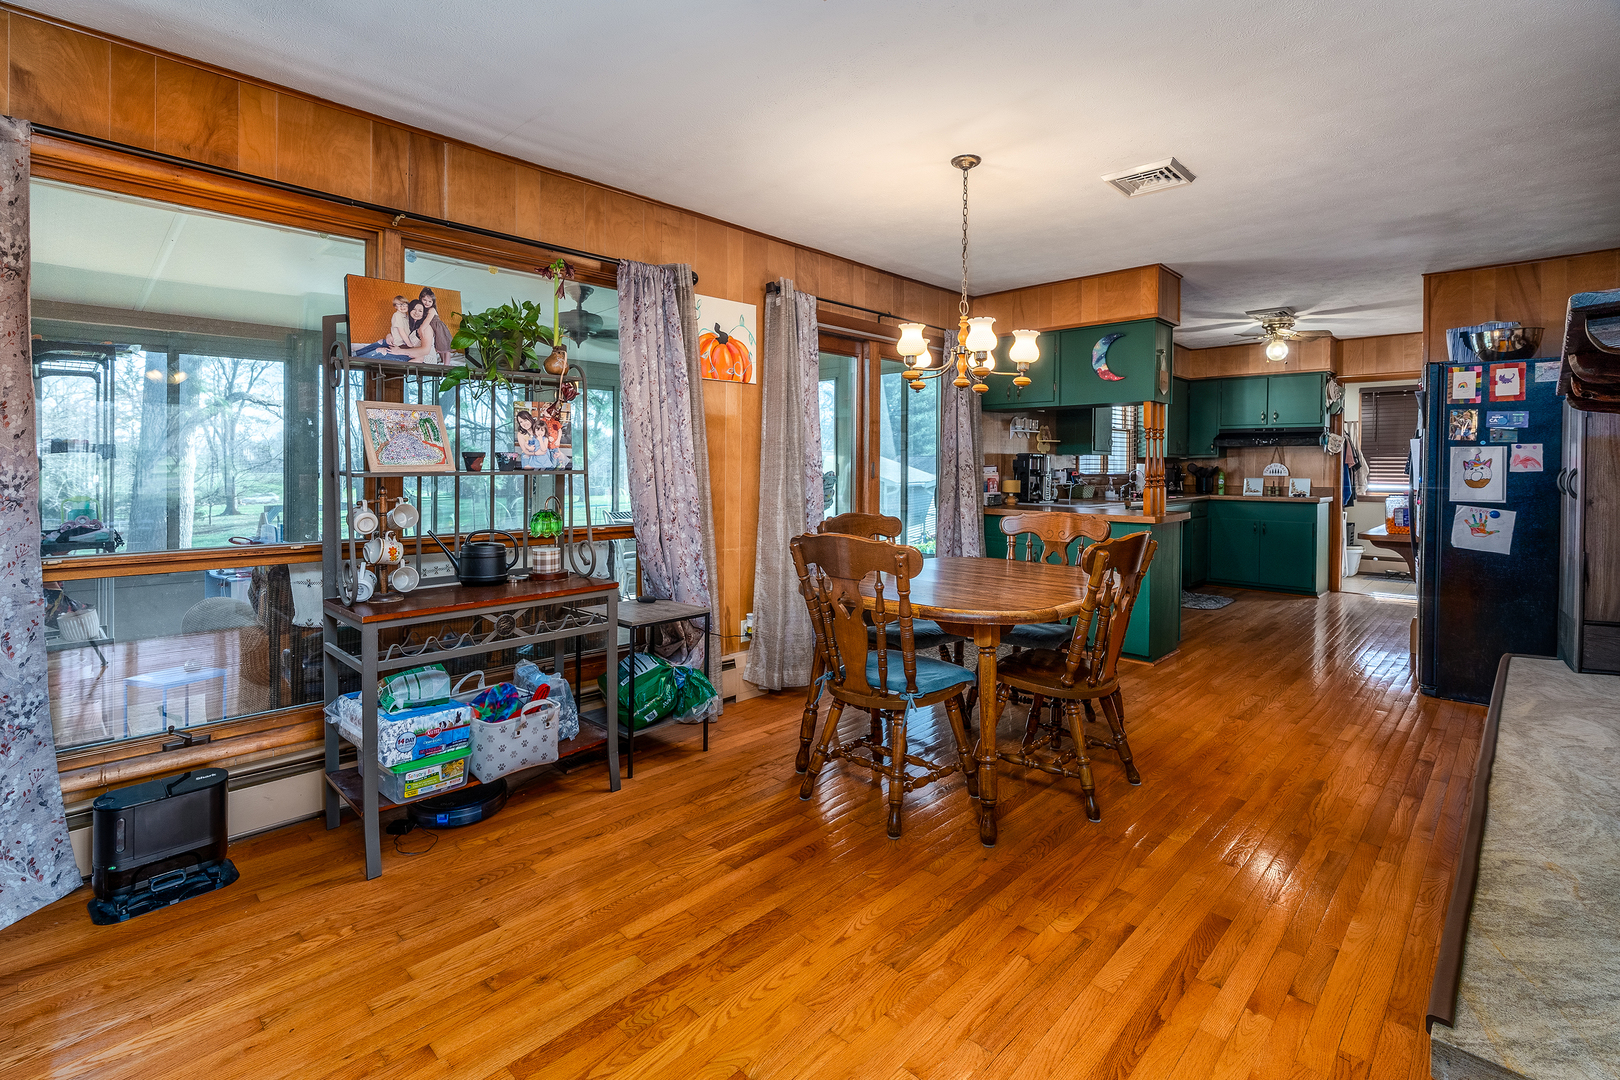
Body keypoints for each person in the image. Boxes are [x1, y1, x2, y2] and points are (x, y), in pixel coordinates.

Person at [419, 287, 455, 360]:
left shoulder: (431, 309)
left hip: (440, 329)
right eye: (424, 300)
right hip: (434, 330)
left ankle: (446, 364)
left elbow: (427, 320)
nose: (427, 303)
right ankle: (442, 360)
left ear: (433, 302)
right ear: (420, 299)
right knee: (439, 347)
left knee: (445, 347)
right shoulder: (423, 310)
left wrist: (421, 329)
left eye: (430, 301)